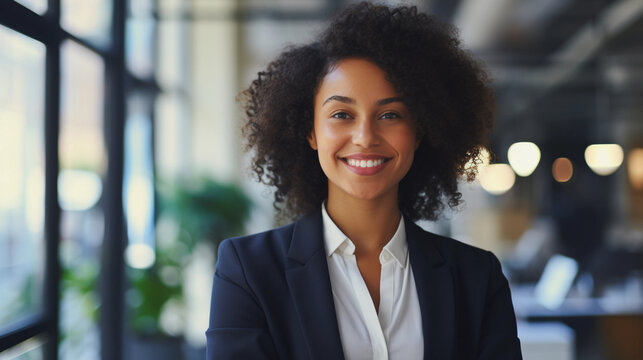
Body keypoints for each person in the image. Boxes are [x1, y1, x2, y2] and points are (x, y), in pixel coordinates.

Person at [206, 2, 522, 359]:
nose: (365, 136)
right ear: (310, 131)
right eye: (342, 114)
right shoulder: (248, 271)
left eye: (390, 114)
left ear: (419, 132)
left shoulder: (477, 277)